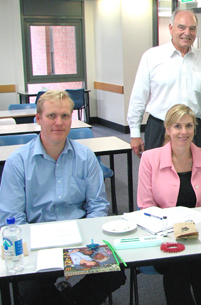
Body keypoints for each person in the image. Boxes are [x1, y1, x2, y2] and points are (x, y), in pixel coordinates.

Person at [0, 90, 126, 305]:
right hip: (37, 243)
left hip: (79, 239)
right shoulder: (17, 162)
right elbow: (12, 217)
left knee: (116, 273)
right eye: (51, 116)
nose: (59, 122)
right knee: (31, 293)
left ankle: (68, 298)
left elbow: (97, 205)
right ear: (38, 119)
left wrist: (83, 246)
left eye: (65, 116)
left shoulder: (85, 157)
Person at [137, 104, 201, 305]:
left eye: (189, 126)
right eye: (177, 126)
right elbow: (145, 206)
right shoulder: (150, 158)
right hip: (164, 235)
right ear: (167, 129)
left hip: (199, 234)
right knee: (178, 264)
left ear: (194, 129)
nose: (184, 132)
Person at [127, 8, 201, 156]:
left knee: (194, 177)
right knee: (158, 176)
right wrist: (135, 133)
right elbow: (138, 97)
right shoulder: (152, 57)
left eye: (192, 28)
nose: (187, 33)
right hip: (159, 129)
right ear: (171, 28)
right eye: (181, 27)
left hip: (193, 129)